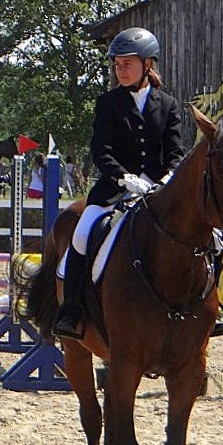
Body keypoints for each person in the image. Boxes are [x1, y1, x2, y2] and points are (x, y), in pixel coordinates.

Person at [52, 27, 184, 339]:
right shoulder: (108, 103)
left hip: (158, 191)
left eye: (127, 64)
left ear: (147, 65)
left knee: (207, 237)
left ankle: (211, 310)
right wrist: (125, 178)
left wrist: (164, 180)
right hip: (114, 189)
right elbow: (101, 151)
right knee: (82, 234)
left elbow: (176, 153)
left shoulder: (168, 105)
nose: (120, 70)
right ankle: (71, 309)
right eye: (116, 64)